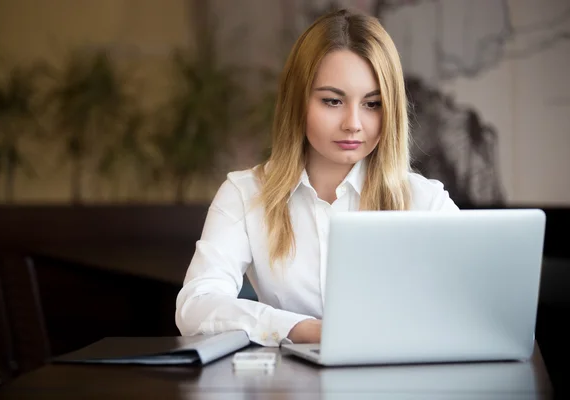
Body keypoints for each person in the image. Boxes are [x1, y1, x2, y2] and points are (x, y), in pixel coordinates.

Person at [175, 8, 459, 347]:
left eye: (372, 104)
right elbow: (195, 306)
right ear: (298, 101)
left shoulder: (426, 202)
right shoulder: (244, 194)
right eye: (333, 101)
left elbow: (473, 306)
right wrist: (301, 329)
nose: (353, 123)